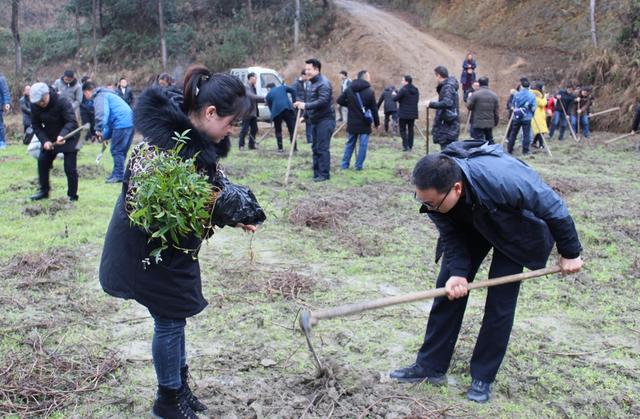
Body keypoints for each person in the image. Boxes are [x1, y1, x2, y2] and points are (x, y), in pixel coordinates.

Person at [99, 65, 256, 419]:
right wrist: (214, 208)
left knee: (175, 318)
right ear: (210, 113)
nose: (232, 131)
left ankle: (179, 388)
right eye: (231, 123)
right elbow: (151, 210)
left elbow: (214, 185)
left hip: (175, 250)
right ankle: (167, 401)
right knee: (169, 319)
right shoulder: (158, 149)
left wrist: (238, 211)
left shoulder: (198, 143)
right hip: (146, 252)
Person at [390, 140, 583, 403]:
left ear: (456, 188)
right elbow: (451, 234)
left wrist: (570, 252)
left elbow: (554, 207)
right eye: (424, 201)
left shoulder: (504, 179)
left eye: (432, 203)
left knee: (499, 302)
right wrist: (458, 272)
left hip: (513, 227)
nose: (428, 207)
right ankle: (430, 366)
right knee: (447, 290)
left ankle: (483, 376)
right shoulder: (434, 197)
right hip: (470, 222)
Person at [29, 82, 80, 201]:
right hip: (50, 137)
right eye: (39, 102)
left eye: (43, 100)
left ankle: (72, 196)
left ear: (48, 94)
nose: (42, 103)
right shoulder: (35, 106)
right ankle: (44, 191)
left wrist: (62, 135)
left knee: (69, 167)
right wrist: (44, 141)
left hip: (69, 137)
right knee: (42, 161)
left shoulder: (61, 101)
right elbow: (36, 125)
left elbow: (72, 121)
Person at [83, 82, 134, 183]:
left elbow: (102, 114)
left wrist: (98, 129)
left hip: (121, 123)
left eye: (84, 94)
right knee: (121, 151)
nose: (85, 97)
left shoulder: (99, 96)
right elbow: (110, 121)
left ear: (87, 91)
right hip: (129, 122)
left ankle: (119, 175)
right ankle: (117, 173)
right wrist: (104, 136)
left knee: (117, 150)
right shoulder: (108, 94)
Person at [294, 58, 335, 182]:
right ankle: (316, 173)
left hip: (325, 120)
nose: (306, 72)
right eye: (306, 69)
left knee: (322, 148)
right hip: (316, 120)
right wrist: (305, 116)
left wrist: (305, 105)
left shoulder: (324, 83)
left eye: (309, 69)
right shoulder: (312, 83)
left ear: (316, 69)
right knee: (315, 147)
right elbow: (312, 101)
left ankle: (324, 175)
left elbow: (322, 102)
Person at [336, 70, 380, 170]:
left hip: (352, 121)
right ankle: (358, 166)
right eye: (369, 76)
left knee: (350, 143)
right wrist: (377, 123)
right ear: (365, 78)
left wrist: (351, 105)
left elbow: (339, 100)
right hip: (364, 122)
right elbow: (374, 109)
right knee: (363, 145)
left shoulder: (349, 88)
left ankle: (344, 165)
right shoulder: (369, 91)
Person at [427, 66, 460, 150]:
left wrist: (431, 104)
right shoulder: (448, 86)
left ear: (438, 75)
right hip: (449, 125)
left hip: (447, 126)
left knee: (447, 152)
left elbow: (447, 103)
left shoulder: (447, 87)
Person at [507, 78, 536, 155]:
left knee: (513, 133)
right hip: (527, 117)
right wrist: (532, 113)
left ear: (521, 86)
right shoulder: (532, 96)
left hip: (517, 116)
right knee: (526, 134)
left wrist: (514, 109)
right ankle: (525, 151)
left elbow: (512, 104)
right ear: (529, 87)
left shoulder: (517, 94)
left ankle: (509, 149)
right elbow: (533, 108)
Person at [265, 82, 297, 152]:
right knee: (292, 129)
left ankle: (280, 148)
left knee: (278, 130)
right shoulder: (282, 87)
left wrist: (275, 117)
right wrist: (294, 102)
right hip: (287, 109)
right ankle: (294, 148)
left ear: (269, 88)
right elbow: (293, 91)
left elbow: (271, 109)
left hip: (277, 112)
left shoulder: (268, 95)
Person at [466, 76, 499, 144]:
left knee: (478, 142)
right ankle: (490, 153)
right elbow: (496, 111)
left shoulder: (475, 94)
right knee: (489, 140)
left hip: (478, 123)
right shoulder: (494, 95)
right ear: (487, 83)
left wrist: (469, 99)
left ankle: (480, 153)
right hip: (490, 122)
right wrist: (496, 121)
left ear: (479, 84)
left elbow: (469, 106)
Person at [238, 72, 265, 150]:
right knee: (244, 129)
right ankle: (241, 145)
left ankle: (251, 145)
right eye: (255, 78)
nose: (256, 80)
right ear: (251, 78)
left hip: (252, 112)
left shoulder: (253, 87)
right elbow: (252, 96)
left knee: (254, 129)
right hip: (246, 112)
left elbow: (255, 99)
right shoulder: (246, 87)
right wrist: (264, 97)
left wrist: (266, 101)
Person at [394, 75, 420, 152]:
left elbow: (395, 99)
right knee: (411, 130)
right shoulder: (416, 90)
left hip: (403, 114)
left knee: (402, 130)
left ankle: (405, 146)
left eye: (402, 80)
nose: (402, 82)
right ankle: (410, 146)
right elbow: (416, 101)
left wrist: (394, 94)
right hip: (412, 113)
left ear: (406, 81)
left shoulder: (403, 90)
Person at [294, 70, 313, 145]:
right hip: (299, 107)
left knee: (309, 122)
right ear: (302, 75)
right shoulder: (296, 84)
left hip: (307, 106)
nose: (308, 77)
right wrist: (300, 102)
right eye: (307, 75)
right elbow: (294, 95)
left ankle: (310, 140)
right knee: (296, 124)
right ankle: (294, 141)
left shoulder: (308, 84)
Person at [531, 82, 549, 149]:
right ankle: (541, 145)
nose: (544, 88)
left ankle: (534, 143)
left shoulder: (539, 94)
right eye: (543, 87)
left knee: (540, 131)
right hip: (537, 115)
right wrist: (545, 97)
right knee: (541, 130)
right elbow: (542, 103)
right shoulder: (535, 94)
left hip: (540, 115)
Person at [80, 76, 96, 142]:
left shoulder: (92, 89)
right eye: (88, 81)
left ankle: (93, 136)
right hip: (84, 109)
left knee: (93, 123)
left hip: (91, 109)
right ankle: (87, 137)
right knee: (86, 124)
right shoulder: (81, 90)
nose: (90, 82)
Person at [0, 72, 11, 150]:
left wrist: (6, 103)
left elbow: (5, 92)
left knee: (0, 126)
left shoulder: (1, 79)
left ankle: (2, 142)